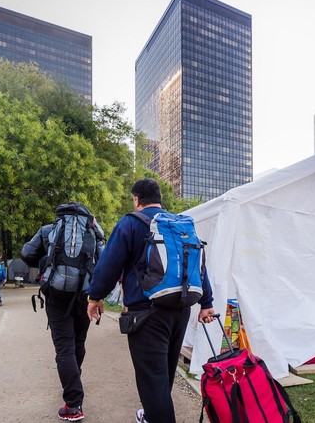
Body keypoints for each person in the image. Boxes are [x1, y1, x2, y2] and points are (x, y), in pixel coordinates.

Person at [87, 178, 215, 423]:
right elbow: (198, 267)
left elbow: (109, 265)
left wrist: (95, 296)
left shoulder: (130, 224)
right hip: (180, 311)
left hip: (146, 315)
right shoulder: (179, 225)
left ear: (136, 199)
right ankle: (153, 413)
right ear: (159, 198)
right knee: (164, 374)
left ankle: (156, 414)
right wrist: (206, 303)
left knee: (152, 380)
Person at [21, 202, 104, 422]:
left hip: (56, 296)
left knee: (64, 347)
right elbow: (104, 263)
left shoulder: (49, 230)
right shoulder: (93, 232)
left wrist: (46, 262)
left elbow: (26, 253)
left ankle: (74, 404)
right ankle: (73, 378)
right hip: (85, 295)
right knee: (79, 342)